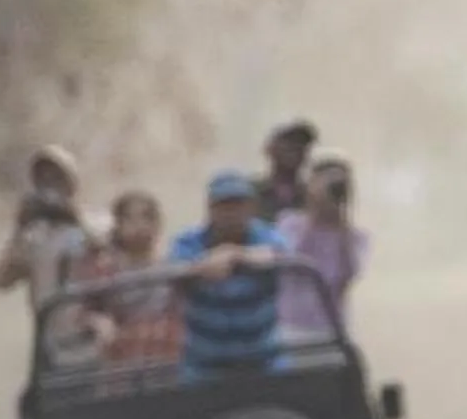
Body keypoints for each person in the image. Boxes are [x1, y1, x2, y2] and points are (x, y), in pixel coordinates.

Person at [169, 170, 287, 373]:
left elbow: (281, 255)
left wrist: (235, 254)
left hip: (263, 360)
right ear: (211, 208)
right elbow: (174, 270)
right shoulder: (189, 241)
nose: (232, 212)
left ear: (251, 207)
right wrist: (200, 268)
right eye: (225, 205)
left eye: (239, 204)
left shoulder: (266, 234)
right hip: (204, 364)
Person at [72, 189, 182, 367]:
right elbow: (81, 312)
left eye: (147, 218)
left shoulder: (172, 267)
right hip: (123, 364)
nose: (139, 226)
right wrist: (98, 322)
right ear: (118, 225)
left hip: (166, 360)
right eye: (130, 219)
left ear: (158, 224)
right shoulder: (104, 271)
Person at [274, 151, 369, 346]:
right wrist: (314, 216)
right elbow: (289, 259)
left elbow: (348, 275)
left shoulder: (355, 237)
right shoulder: (288, 223)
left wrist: (340, 219)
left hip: (330, 331)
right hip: (288, 329)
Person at [0, 145, 94, 308]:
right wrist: (20, 228)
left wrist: (74, 218)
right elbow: (2, 281)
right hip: (48, 328)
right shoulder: (34, 237)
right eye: (42, 178)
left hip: (89, 327)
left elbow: (108, 256)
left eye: (57, 177)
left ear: (71, 182)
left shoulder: (95, 223)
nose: (50, 185)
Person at [259, 119, 319, 222]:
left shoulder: (315, 197)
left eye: (301, 145)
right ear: (271, 148)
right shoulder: (250, 192)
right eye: (288, 143)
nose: (295, 150)